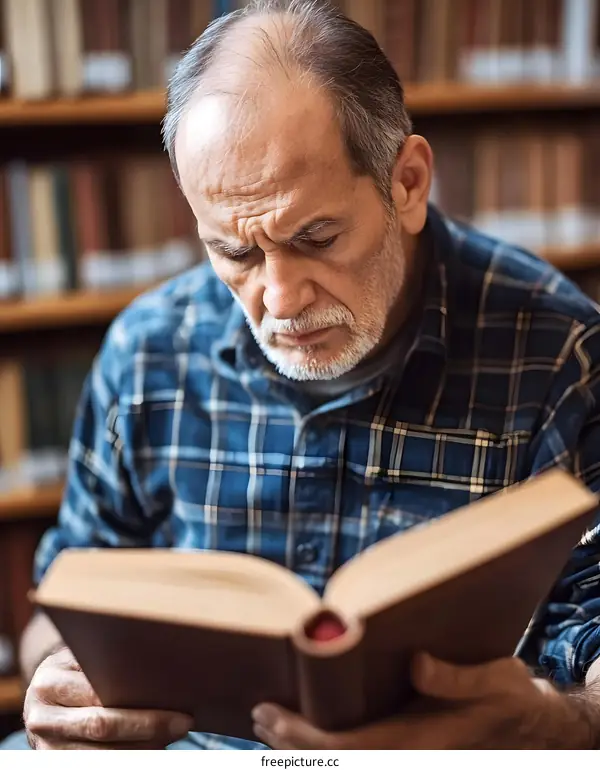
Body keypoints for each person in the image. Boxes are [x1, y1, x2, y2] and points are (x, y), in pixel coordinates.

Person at [3, 0, 600, 751]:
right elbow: (61, 603)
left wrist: (551, 723)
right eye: (236, 254)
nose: (279, 302)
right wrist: (61, 685)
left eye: (315, 237)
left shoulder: (561, 353)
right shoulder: (149, 351)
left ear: (407, 183)